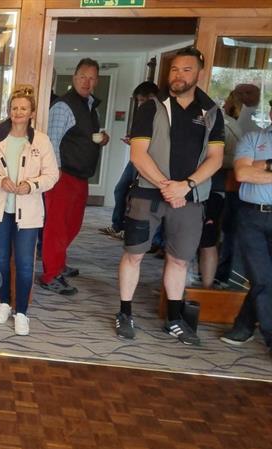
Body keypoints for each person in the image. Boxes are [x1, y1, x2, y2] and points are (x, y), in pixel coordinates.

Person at [115, 46, 224, 345]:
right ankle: (125, 312)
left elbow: (215, 158)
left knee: (179, 260)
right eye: (174, 69)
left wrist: (185, 186)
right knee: (134, 254)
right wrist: (167, 185)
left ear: (199, 73)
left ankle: (174, 320)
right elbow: (138, 154)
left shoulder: (212, 111)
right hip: (148, 195)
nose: (178, 75)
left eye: (186, 69)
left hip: (190, 199)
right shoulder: (151, 107)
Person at [0, 85, 59, 335]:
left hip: (30, 211)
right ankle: (3, 303)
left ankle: (21, 311)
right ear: (9, 110)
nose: (18, 112)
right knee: (0, 259)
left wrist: (31, 185)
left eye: (23, 108)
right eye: (14, 108)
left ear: (32, 112)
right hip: (0, 209)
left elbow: (52, 175)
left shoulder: (41, 140)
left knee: (25, 263)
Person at [39, 58, 110, 296]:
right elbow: (52, 141)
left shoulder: (91, 106)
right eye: (82, 77)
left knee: (73, 224)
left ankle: (58, 263)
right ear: (74, 78)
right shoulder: (63, 105)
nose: (86, 82)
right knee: (57, 226)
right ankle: (51, 275)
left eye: (91, 78)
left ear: (96, 81)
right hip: (63, 175)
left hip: (81, 175)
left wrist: (103, 139)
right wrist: (54, 174)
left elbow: (82, 137)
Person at [220, 101, 272, 350]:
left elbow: (253, 170)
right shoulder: (253, 137)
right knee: (261, 277)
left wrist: (260, 166)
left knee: (266, 279)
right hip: (252, 216)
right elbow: (242, 174)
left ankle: (244, 325)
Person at [100, 81, 159, 240]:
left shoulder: (160, 117)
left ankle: (152, 238)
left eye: (141, 100)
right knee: (121, 189)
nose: (139, 104)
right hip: (137, 159)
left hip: (152, 162)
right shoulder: (143, 115)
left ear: (151, 98)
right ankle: (118, 225)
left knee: (146, 197)